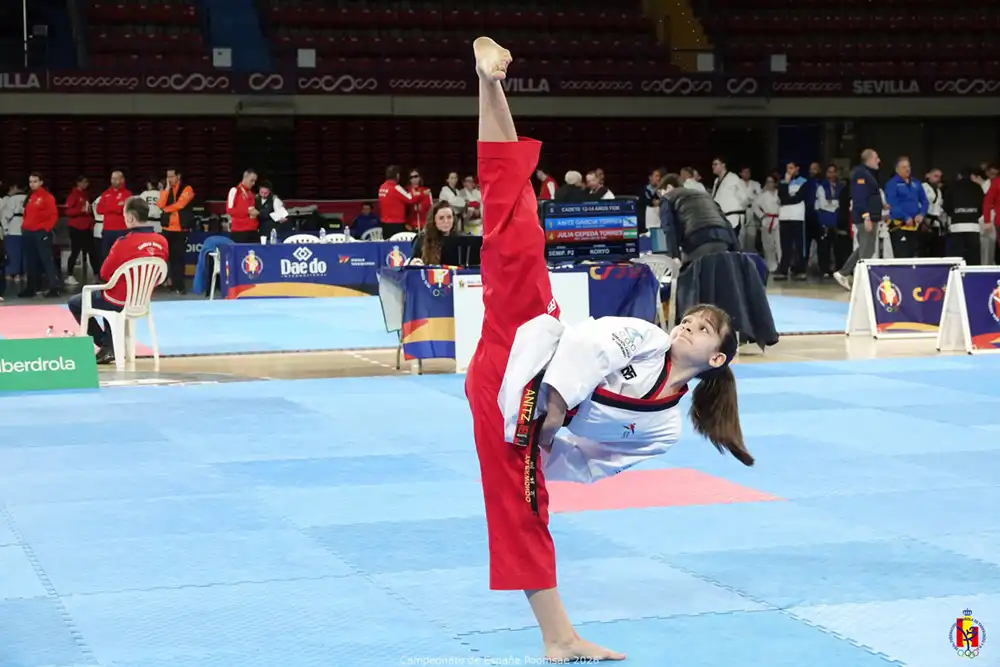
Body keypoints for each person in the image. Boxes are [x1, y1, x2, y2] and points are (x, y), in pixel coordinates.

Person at [465, 37, 753, 663]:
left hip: (509, 405)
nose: (690, 326)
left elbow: (595, 463)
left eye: (705, 330)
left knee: (526, 508)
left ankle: (559, 637)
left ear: (718, 359)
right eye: (694, 318)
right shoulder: (645, 338)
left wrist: (548, 448)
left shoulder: (665, 428)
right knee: (514, 218)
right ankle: (490, 81)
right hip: (530, 338)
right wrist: (551, 414)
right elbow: (588, 346)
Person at [68, 197, 168, 365]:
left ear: (130, 218)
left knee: (76, 302)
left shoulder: (124, 243)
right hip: (141, 300)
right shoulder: (162, 241)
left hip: (117, 300)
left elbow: (105, 273)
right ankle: (110, 345)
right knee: (106, 295)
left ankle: (107, 345)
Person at [656, 173, 741, 265]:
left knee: (687, 273)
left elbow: (669, 227)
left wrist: (674, 256)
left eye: (660, 192)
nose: (660, 196)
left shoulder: (667, 198)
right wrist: (737, 250)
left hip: (697, 240)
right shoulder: (704, 196)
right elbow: (726, 223)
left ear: (669, 187)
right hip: (723, 240)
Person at [832, 149, 883, 289]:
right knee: (866, 250)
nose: (879, 161)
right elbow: (859, 197)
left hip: (871, 217)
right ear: (870, 159)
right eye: (876, 158)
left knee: (866, 248)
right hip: (866, 218)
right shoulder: (861, 174)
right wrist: (866, 216)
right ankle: (858, 280)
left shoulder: (868, 174)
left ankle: (845, 273)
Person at [19, 172, 61, 298]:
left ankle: (54, 287)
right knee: (30, 261)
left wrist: (45, 228)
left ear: (41, 182)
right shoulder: (30, 196)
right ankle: (31, 288)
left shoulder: (47, 197)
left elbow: (53, 215)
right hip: (28, 232)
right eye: (30, 181)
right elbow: (27, 214)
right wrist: (24, 227)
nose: (32, 184)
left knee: (46, 259)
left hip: (40, 232)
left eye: (35, 181)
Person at [158, 168, 195, 293]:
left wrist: (166, 209)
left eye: (172, 177)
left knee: (178, 258)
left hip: (180, 229)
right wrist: (167, 189)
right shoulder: (166, 189)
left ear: (178, 176)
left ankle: (180, 285)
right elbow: (160, 204)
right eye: (168, 177)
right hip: (166, 228)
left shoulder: (187, 188)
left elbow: (181, 204)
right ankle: (171, 282)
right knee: (166, 257)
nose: (169, 179)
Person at [943, 166, 986, 266]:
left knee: (956, 258)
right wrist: (974, 214)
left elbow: (946, 206)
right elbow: (982, 206)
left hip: (956, 226)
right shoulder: (977, 188)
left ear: (959, 175)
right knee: (973, 257)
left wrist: (954, 214)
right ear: (971, 175)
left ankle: (956, 277)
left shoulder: (952, 187)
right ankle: (973, 279)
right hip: (973, 226)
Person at [408, 200, 456, 265]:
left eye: (449, 217)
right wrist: (415, 263)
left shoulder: (462, 238)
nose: (446, 221)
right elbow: (412, 265)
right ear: (434, 220)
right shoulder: (422, 239)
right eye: (441, 218)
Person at [226, 168, 260, 243]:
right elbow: (229, 210)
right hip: (239, 232)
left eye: (255, 181)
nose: (253, 183)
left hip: (253, 231)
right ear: (245, 177)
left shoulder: (251, 194)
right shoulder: (235, 191)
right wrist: (248, 212)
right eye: (252, 180)